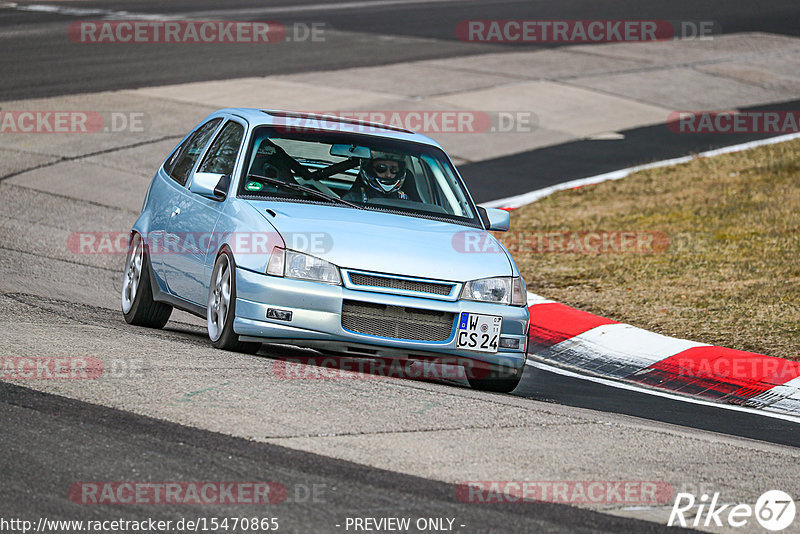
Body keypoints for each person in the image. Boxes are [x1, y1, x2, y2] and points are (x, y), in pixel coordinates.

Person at [343, 150, 412, 203]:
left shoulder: (404, 200)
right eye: (381, 169)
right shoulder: (353, 199)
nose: (388, 175)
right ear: (370, 170)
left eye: (394, 170)